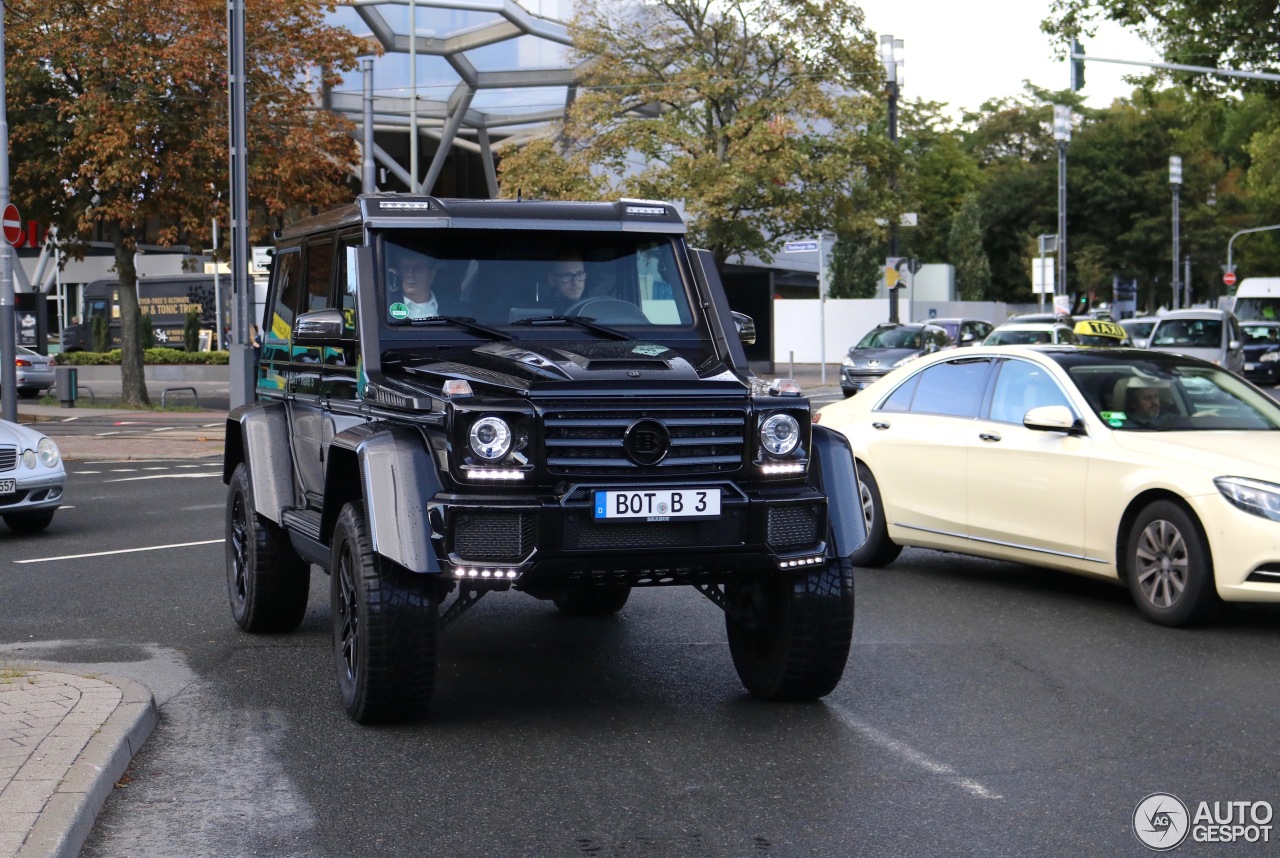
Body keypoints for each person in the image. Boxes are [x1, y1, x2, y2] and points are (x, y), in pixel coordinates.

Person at [388, 249, 449, 320]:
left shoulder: (455, 308)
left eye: (418, 268)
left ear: (431, 275)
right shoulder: (385, 307)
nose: (410, 274)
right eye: (405, 268)